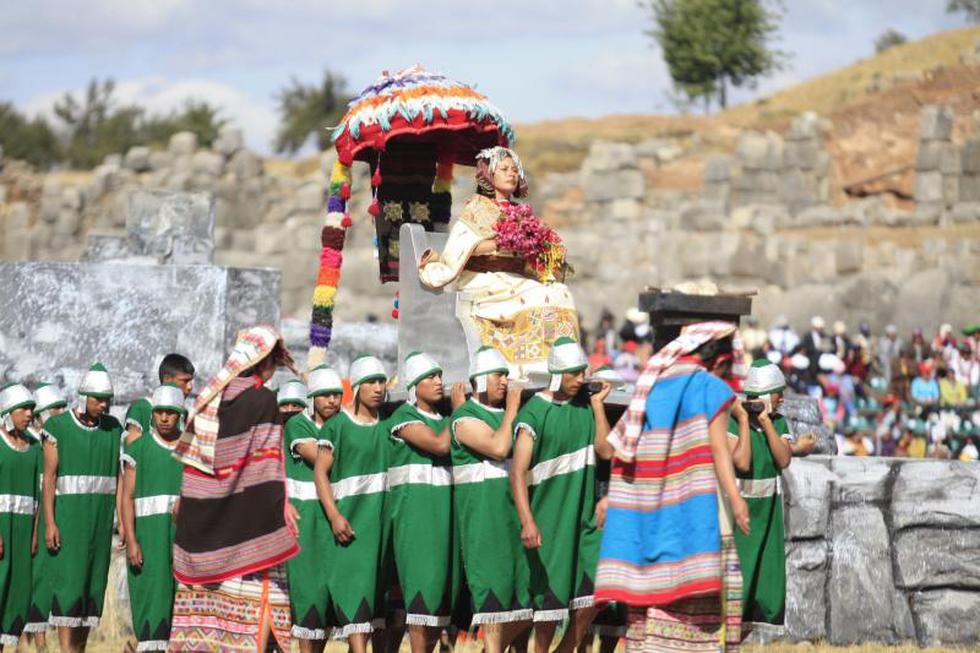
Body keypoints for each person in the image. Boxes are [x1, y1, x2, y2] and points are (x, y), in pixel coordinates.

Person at [596, 322, 750, 653]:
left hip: (650, 517)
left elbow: (621, 449)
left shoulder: (652, 386)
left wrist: (613, 497)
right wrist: (736, 499)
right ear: (720, 361)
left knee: (651, 602)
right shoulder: (708, 386)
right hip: (699, 514)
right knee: (702, 609)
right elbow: (721, 450)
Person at [170, 326, 300, 651]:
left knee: (212, 614)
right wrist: (280, 507)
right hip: (251, 524)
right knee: (264, 603)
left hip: (205, 524)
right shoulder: (262, 400)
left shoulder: (211, 398)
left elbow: (196, 463)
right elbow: (266, 463)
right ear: (265, 362)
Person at [418, 146, 578, 380]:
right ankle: (527, 367)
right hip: (484, 280)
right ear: (489, 174)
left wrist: (542, 246)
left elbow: (526, 255)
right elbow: (464, 248)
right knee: (538, 297)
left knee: (560, 292)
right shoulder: (477, 208)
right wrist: (501, 242)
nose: (511, 174)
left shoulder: (520, 211)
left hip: (515, 279)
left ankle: (559, 363)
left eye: (514, 170)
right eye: (504, 169)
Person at [510, 338, 613, 652]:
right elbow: (517, 472)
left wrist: (597, 407)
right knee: (548, 610)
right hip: (549, 519)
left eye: (582, 372)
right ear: (557, 374)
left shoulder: (586, 405)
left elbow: (606, 449)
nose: (580, 379)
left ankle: (566, 647)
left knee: (600, 587)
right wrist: (528, 521)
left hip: (584, 519)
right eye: (573, 373)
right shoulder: (534, 414)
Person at [34, 363, 122, 653]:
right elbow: (49, 480)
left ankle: (79, 650)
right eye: (98, 398)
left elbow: (118, 479)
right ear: (83, 397)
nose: (104, 404)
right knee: (69, 588)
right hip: (68, 523)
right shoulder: (57, 428)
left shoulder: (112, 430)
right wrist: (50, 522)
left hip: (98, 525)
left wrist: (120, 520)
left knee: (90, 588)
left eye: (107, 398)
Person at [450, 346, 530, 653]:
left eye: (507, 376)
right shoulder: (464, 416)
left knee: (526, 602)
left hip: (514, 517)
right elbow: (498, 447)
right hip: (485, 520)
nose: (505, 382)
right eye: (499, 375)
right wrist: (512, 410)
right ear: (480, 379)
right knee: (493, 599)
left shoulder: (512, 413)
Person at [386, 352, 466, 653]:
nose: (438, 382)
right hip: (416, 518)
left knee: (438, 601)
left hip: (443, 518)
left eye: (439, 376)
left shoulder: (445, 420)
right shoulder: (403, 418)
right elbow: (439, 444)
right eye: (430, 377)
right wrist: (459, 412)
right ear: (414, 384)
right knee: (421, 596)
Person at [313, 355, 390, 651]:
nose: (378, 388)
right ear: (357, 387)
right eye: (371, 382)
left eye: (382, 381)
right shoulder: (337, 426)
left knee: (376, 609)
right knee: (354, 598)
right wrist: (334, 516)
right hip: (352, 525)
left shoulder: (389, 424)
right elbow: (321, 472)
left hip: (381, 528)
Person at [727, 360, 793, 630]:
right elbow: (741, 462)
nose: (782, 399)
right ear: (767, 395)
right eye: (778, 393)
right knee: (735, 594)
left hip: (767, 517)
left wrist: (766, 422)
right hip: (741, 518)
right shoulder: (733, 422)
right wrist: (745, 420)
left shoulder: (778, 422)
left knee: (764, 589)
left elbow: (784, 459)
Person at [120, 384, 185, 652]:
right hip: (149, 538)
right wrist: (132, 539)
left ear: (180, 413)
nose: (165, 418)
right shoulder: (139, 449)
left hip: (184, 539)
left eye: (171, 412)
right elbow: (127, 497)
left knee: (182, 604)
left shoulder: (192, 446)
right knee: (152, 600)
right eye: (160, 412)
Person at [285, 365, 344, 651]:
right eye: (325, 395)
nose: (332, 401)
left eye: (336, 395)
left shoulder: (341, 424)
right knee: (309, 598)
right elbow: (321, 459)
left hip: (333, 521)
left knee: (327, 604)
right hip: (307, 522)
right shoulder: (298, 425)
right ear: (312, 399)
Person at [21, 383, 66, 648]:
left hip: (55, 518)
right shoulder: (29, 445)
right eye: (54, 410)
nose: (60, 413)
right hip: (31, 522)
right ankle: (38, 643)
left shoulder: (59, 442)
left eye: (62, 408)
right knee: (35, 583)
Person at [0, 384, 40, 651]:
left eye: (31, 409)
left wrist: (35, 532)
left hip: (23, 531)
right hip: (2, 527)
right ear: (8, 411)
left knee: (16, 595)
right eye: (23, 409)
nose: (29, 414)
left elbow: (37, 496)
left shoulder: (35, 446)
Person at [124, 354, 195, 437]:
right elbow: (131, 447)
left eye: (190, 381)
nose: (190, 387)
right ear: (167, 379)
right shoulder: (141, 408)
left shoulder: (183, 413)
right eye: (185, 381)